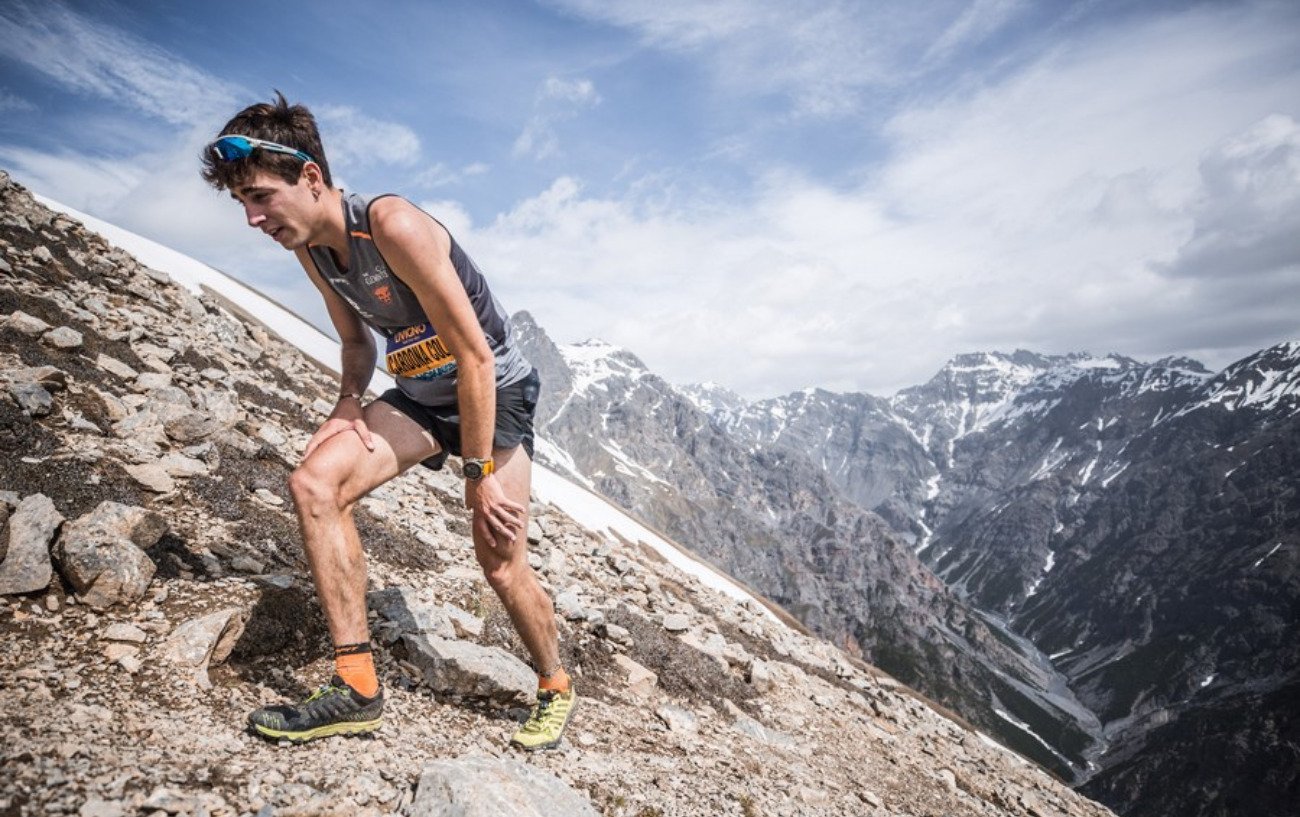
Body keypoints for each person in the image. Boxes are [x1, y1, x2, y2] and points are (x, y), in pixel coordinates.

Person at [199, 92, 574, 750]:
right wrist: (348, 399)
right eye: (243, 205)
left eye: (260, 196)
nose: (254, 217)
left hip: (489, 391)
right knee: (316, 483)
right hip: (421, 397)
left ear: (310, 177)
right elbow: (355, 343)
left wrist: (478, 473)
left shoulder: (391, 225)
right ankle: (356, 687)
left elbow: (476, 357)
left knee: (500, 562)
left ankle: (555, 683)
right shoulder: (312, 249)